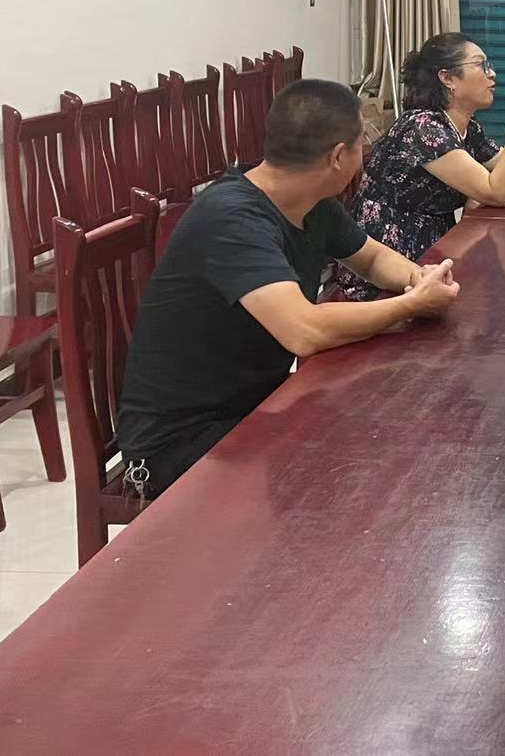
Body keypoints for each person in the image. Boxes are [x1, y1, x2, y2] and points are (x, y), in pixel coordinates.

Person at [116, 79, 461, 497]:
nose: (364, 154)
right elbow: (304, 330)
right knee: (362, 474)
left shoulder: (309, 201)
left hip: (256, 408)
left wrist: (417, 278)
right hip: (179, 444)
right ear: (338, 157)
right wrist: (411, 305)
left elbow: (371, 259)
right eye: (361, 144)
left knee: (382, 440)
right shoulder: (232, 218)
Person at [334, 32, 505, 300]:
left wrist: (479, 189)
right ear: (447, 78)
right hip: (390, 267)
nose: (492, 74)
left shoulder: (465, 127)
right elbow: (499, 192)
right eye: (481, 65)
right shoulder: (423, 128)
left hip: (435, 253)